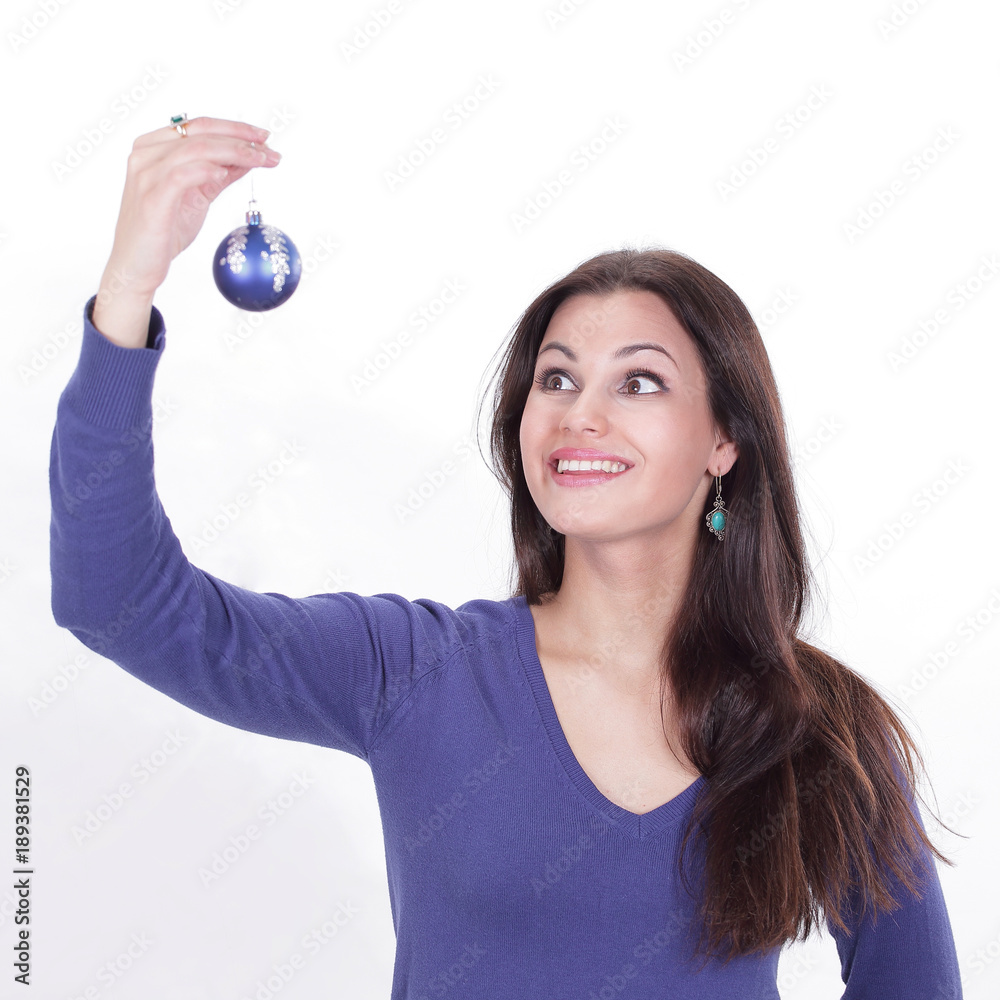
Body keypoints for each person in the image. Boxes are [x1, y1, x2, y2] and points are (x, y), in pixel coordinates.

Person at [49, 115, 963, 998]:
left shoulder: (823, 725)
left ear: (725, 439)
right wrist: (129, 287)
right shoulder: (415, 670)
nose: (579, 414)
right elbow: (117, 599)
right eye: (556, 377)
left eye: (638, 381)